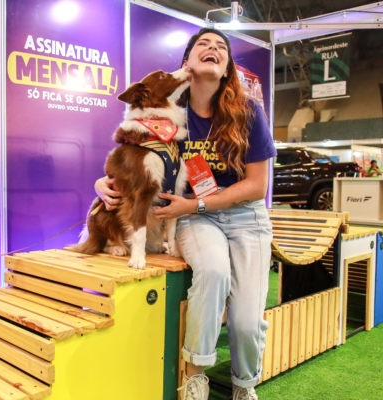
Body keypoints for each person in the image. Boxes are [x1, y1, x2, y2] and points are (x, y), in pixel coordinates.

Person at [95, 28, 276, 400]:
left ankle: (244, 385)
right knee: (211, 274)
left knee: (245, 319)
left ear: (227, 67)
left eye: (221, 47)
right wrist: (102, 181)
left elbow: (257, 186)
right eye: (202, 45)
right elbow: (133, 160)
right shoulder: (171, 115)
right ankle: (195, 377)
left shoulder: (249, 112)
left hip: (244, 216)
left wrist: (196, 204)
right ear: (186, 65)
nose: (212, 49)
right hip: (196, 219)